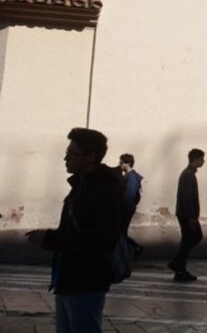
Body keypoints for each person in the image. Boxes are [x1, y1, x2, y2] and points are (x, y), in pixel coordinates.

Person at [26, 127, 124, 333]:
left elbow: (100, 239)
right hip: (69, 276)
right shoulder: (81, 186)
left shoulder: (106, 190)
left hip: (87, 278)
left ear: (90, 157)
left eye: (72, 154)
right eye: (66, 153)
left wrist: (50, 239)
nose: (65, 159)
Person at [168, 148, 205, 282]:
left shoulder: (188, 174)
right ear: (195, 159)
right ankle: (178, 264)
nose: (203, 162)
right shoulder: (188, 175)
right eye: (202, 159)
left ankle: (179, 267)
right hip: (187, 214)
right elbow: (187, 197)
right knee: (194, 237)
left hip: (185, 213)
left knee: (188, 240)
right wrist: (191, 217)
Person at [118, 153, 144, 257]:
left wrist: (122, 209)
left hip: (126, 209)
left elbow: (129, 196)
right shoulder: (128, 177)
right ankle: (133, 248)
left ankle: (131, 250)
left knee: (120, 232)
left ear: (127, 163)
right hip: (126, 208)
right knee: (120, 232)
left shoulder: (132, 178)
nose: (119, 164)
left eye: (121, 162)